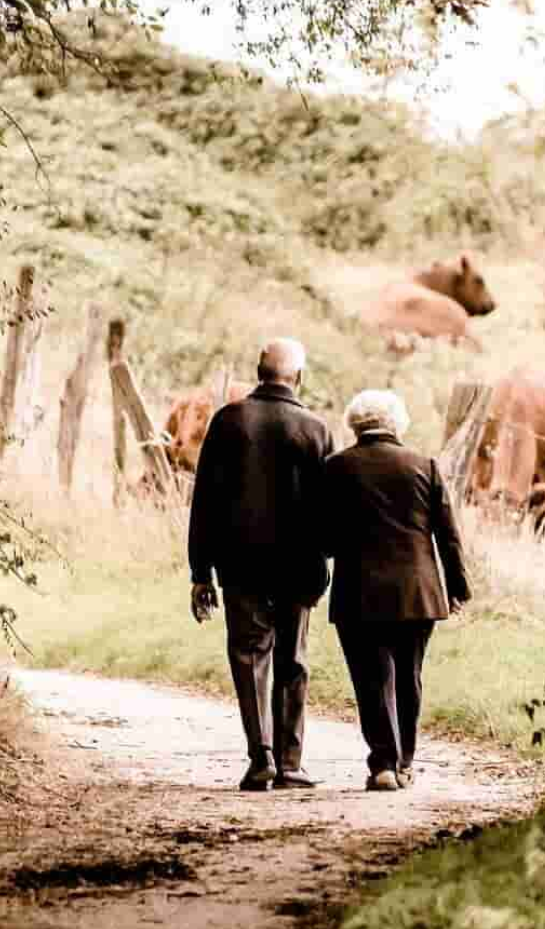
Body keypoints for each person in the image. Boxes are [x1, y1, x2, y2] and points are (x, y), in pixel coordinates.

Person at [187, 338, 334, 792]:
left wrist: (200, 572)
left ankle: (261, 757)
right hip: (298, 567)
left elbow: (204, 502)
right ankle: (291, 764)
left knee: (249, 657)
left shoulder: (228, 421)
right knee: (293, 660)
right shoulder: (315, 429)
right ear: (300, 378)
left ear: (257, 370)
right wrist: (325, 560)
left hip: (241, 565)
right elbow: (329, 508)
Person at [320, 389, 471, 791]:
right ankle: (405, 761)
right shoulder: (425, 466)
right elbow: (448, 536)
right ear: (397, 423)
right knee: (409, 676)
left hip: (358, 592)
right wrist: (457, 588)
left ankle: (383, 764)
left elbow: (324, 537)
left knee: (371, 679)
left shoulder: (336, 468)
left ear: (355, 423)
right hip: (418, 591)